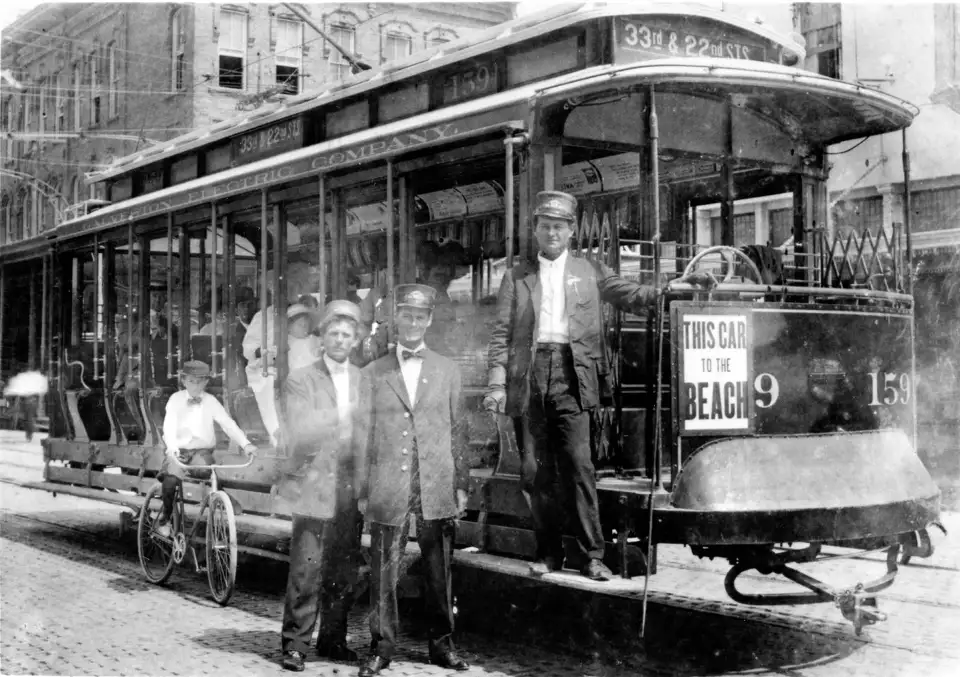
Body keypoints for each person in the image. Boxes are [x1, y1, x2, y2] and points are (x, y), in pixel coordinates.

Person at [483, 190, 715, 581]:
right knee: (535, 471)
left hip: (574, 376)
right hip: (531, 376)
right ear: (535, 230)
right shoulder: (516, 277)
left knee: (579, 466)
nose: (552, 232)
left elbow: (632, 294)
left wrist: (673, 286)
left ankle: (592, 555)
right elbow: (501, 334)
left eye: (559, 226)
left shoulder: (590, 271)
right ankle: (549, 554)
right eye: (545, 226)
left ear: (571, 232)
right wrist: (497, 383)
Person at [359, 284, 469, 677]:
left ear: (429, 321)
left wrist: (461, 484)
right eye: (405, 315)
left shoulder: (447, 369)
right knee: (384, 570)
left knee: (439, 569)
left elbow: (459, 430)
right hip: (389, 482)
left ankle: (442, 646)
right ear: (395, 320)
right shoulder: (374, 373)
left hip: (434, 482)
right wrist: (362, 489)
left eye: (419, 316)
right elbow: (364, 435)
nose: (412, 323)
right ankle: (382, 647)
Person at [279, 300, 369, 672]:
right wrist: (341, 412)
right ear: (321, 338)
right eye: (333, 332)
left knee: (344, 567)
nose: (339, 339)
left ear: (357, 339)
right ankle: (295, 644)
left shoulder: (365, 378)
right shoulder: (302, 379)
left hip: (350, 482)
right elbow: (301, 429)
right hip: (316, 481)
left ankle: (333, 639)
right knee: (307, 566)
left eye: (347, 334)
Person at [157, 360, 257, 537]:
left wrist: (245, 443)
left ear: (206, 383)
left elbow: (227, 423)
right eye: (191, 381)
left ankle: (221, 498)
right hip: (179, 450)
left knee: (208, 472)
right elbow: (169, 426)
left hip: (201, 452)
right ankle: (165, 518)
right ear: (183, 381)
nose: (195, 386)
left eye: (200, 382)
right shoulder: (176, 399)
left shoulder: (210, 401)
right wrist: (172, 448)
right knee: (171, 480)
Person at [242, 260, 319, 446]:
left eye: (291, 289)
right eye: (282, 290)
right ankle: (278, 433)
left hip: (297, 363)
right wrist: (265, 352)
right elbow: (249, 349)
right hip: (267, 367)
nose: (287, 294)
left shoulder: (300, 312)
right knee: (270, 383)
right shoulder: (263, 317)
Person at [286, 303, 322, 372]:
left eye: (306, 324)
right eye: (299, 324)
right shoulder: (286, 340)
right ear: (289, 327)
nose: (303, 327)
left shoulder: (312, 338)